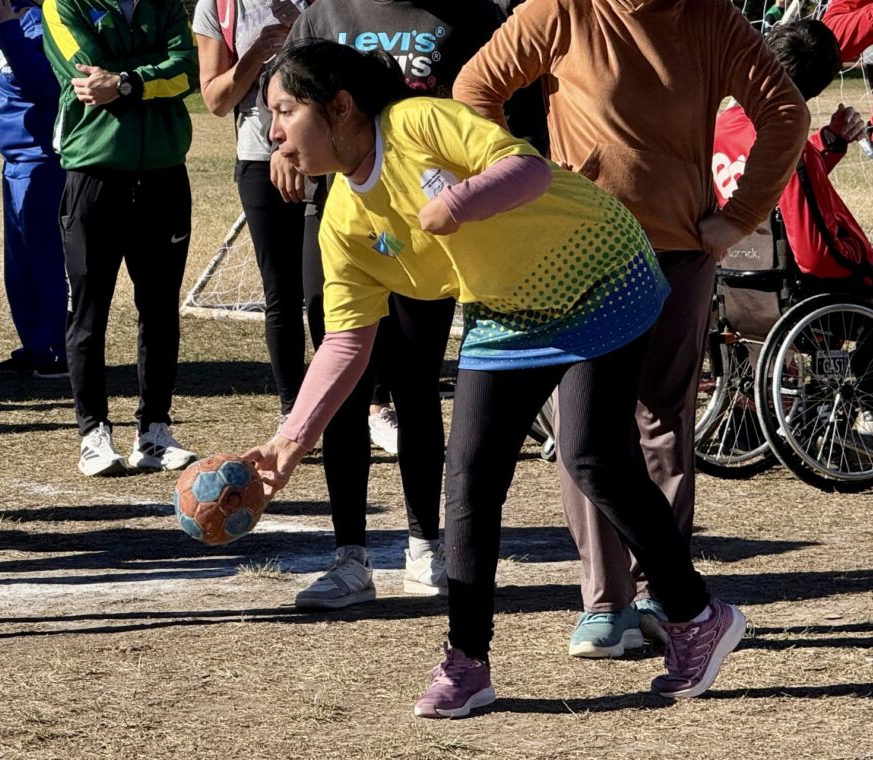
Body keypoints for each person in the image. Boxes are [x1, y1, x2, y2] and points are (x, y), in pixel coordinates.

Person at [246, 40, 747, 718]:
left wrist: (462, 202)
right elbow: (346, 343)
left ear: (339, 107)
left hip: (600, 272)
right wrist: (287, 445)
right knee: (470, 476)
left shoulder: (417, 122)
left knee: (594, 456)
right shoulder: (343, 220)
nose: (273, 133)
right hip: (507, 311)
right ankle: (467, 661)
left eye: (284, 111)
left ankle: (696, 616)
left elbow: (526, 168)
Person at [452, 0, 809, 658]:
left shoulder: (711, 18)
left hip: (677, 251)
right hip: (580, 252)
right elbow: (475, 89)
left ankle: (662, 595)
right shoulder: (561, 8)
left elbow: (785, 112)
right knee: (585, 428)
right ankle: (606, 604)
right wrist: (515, 181)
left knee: (661, 419)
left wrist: (738, 216)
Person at [271, 0, 542, 609]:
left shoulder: (468, 13)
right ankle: (349, 558)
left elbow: (513, 108)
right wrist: (281, 148)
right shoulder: (324, 11)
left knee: (415, 384)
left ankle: (425, 546)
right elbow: (288, 95)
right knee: (343, 379)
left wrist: (476, 184)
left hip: (428, 219)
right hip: (345, 215)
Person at [43, 0, 200, 475]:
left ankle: (154, 431)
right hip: (94, 175)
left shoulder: (165, 5)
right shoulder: (63, 5)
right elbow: (90, 79)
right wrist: (150, 71)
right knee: (88, 312)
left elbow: (188, 70)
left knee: (160, 310)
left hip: (164, 175)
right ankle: (93, 433)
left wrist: (128, 81)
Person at [714, 19, 873, 435]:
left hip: (741, 281)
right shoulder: (789, 145)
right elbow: (816, 254)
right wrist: (862, 259)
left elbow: (781, 193)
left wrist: (829, 143)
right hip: (799, 288)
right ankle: (862, 399)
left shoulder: (725, 126)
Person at [192, 0, 311, 423]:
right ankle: (293, 413)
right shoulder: (218, 6)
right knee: (282, 293)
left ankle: (364, 404)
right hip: (260, 162)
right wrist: (255, 54)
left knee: (330, 290)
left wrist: (302, 29)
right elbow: (215, 100)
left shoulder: (319, 5)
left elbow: (346, 74)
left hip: (325, 158)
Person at [0, 0, 69, 379]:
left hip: (42, 163)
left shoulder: (35, 24)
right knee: (19, 269)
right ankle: (36, 347)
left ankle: (59, 350)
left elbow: (41, 85)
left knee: (45, 262)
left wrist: (6, 28)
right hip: (14, 165)